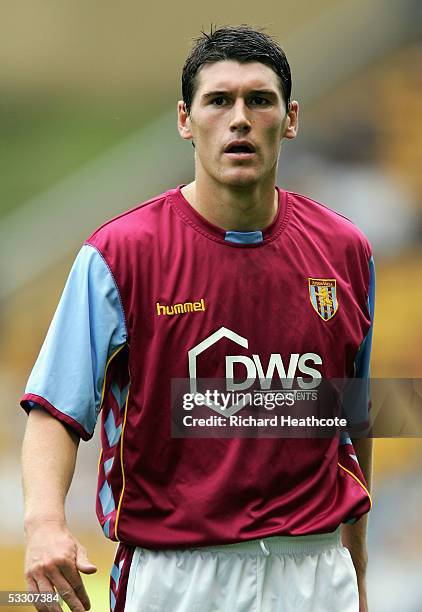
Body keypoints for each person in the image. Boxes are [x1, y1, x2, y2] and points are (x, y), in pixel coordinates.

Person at [21, 25, 374, 612]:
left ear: (290, 120)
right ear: (186, 119)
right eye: (219, 101)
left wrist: (357, 568)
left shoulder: (346, 250)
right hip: (177, 575)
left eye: (260, 100)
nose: (240, 119)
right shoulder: (118, 253)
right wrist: (43, 523)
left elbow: (351, 420)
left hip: (316, 570)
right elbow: (54, 410)